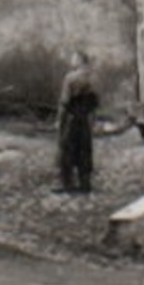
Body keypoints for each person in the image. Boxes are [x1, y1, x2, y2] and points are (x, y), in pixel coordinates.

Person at [55, 50, 99, 193]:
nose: (71, 61)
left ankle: (67, 184)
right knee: (84, 150)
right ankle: (85, 183)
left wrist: (59, 120)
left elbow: (65, 101)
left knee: (66, 150)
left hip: (71, 119)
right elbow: (95, 102)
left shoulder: (70, 78)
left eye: (73, 58)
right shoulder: (92, 78)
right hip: (84, 119)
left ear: (80, 61)